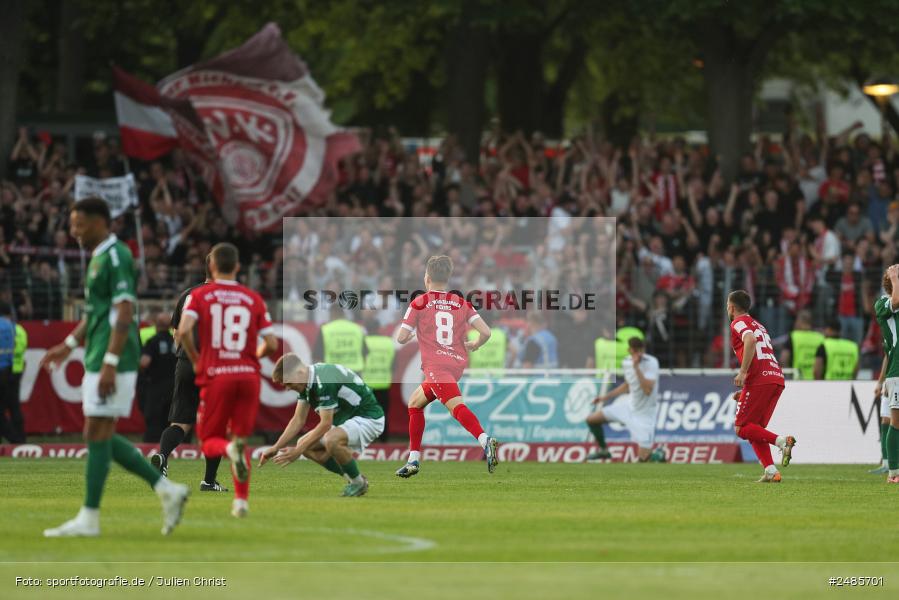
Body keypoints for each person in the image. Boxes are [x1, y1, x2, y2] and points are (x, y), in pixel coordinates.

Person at [40, 197, 188, 537]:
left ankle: (90, 518)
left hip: (114, 357)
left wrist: (110, 362)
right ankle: (166, 491)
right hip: (98, 353)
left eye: (79, 224)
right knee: (97, 432)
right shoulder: (97, 258)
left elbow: (124, 310)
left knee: (96, 431)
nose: (74, 231)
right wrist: (68, 345)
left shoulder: (117, 255)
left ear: (99, 222)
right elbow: (95, 312)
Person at [177, 242, 278, 517]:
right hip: (248, 376)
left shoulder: (200, 296)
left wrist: (198, 361)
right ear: (237, 267)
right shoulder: (253, 298)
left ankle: (230, 450)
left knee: (210, 439)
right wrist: (251, 357)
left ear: (211, 266)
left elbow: (184, 331)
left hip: (217, 375)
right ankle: (241, 502)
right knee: (241, 438)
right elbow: (270, 343)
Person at [394, 255, 499, 478]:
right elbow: (487, 332)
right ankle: (413, 460)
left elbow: (401, 338)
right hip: (456, 363)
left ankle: (485, 440)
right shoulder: (461, 302)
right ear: (448, 277)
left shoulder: (419, 303)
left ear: (427, 278)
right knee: (415, 403)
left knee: (455, 407)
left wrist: (415, 330)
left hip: (436, 365)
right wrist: (475, 344)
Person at [259, 354, 385, 497]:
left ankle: (358, 483)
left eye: (288, 383)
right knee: (306, 445)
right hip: (349, 419)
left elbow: (325, 424)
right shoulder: (308, 381)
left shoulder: (323, 380)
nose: (288, 388)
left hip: (368, 418)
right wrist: (276, 447)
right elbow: (298, 420)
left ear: (299, 373)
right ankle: (355, 478)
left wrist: (297, 451)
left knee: (330, 440)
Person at [150, 264, 228, 492]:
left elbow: (177, 332)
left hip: (185, 360)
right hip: (213, 364)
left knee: (180, 423)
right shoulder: (225, 296)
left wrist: (185, 356)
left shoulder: (187, 294)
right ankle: (209, 481)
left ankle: (163, 456)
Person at [727, 289, 797, 483]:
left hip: (760, 379)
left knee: (741, 428)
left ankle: (782, 442)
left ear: (731, 307)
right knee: (754, 428)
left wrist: (742, 372)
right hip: (774, 377)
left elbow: (750, 340)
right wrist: (747, 389)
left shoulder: (738, 322)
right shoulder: (760, 325)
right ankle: (771, 471)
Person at [585, 337, 664, 462]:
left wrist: (637, 368)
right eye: (635, 351)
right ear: (629, 350)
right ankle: (604, 450)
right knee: (592, 419)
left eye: (640, 351)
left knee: (643, 460)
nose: (638, 354)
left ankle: (658, 455)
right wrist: (604, 397)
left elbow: (647, 391)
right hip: (628, 406)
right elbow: (628, 384)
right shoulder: (626, 362)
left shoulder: (651, 362)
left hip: (645, 413)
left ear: (643, 349)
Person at [873, 265, 899, 484]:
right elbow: (896, 301)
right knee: (895, 422)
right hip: (897, 372)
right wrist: (893, 276)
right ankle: (893, 472)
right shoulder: (882, 303)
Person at [139, 312, 177, 443]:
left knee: (153, 421)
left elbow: (145, 362)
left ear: (156, 325)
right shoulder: (176, 341)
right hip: (174, 388)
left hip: (155, 387)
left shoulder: (152, 341)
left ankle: (151, 449)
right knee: (171, 421)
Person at [0, 303, 23, 443]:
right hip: (8, 371)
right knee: (11, 408)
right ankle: (17, 440)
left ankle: (15, 440)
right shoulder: (12, 327)